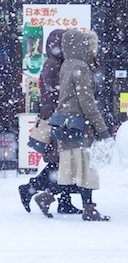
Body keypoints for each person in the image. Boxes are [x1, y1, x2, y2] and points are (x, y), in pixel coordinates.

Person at [35, 29, 111, 221]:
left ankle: (49, 197)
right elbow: (87, 102)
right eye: (91, 46)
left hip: (68, 123)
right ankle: (86, 208)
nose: (93, 50)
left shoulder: (68, 65)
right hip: (80, 124)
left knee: (73, 169)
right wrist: (101, 128)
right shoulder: (80, 68)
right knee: (84, 168)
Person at [18, 29, 81, 215]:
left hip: (60, 118)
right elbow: (53, 94)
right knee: (60, 162)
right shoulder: (53, 65)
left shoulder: (59, 63)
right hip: (57, 119)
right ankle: (30, 188)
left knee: (63, 161)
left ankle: (64, 201)